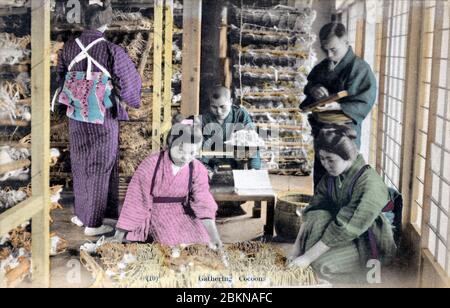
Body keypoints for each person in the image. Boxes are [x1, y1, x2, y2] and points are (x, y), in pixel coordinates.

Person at [56, 0, 142, 236]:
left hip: (76, 116)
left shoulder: (68, 49)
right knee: (100, 166)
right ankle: (93, 224)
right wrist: (130, 99)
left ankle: (84, 215)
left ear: (84, 21)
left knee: (81, 165)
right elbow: (129, 84)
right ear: (107, 22)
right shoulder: (111, 50)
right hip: (101, 116)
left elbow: (60, 79)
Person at [287, 125, 397, 283]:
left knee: (320, 264)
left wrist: (307, 258)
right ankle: (311, 258)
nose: (325, 164)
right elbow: (312, 210)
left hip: (367, 238)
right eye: (322, 159)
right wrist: (296, 250)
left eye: (330, 159)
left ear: (347, 156)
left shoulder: (369, 183)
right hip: (340, 231)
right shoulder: (332, 176)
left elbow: (345, 226)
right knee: (316, 215)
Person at [112, 115, 222, 248]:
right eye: (181, 150)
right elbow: (136, 199)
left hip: (183, 212)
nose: (186, 157)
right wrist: (119, 235)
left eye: (192, 153)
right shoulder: (151, 164)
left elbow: (203, 202)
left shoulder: (197, 168)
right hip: (155, 211)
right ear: (170, 143)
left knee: (201, 241)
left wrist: (214, 236)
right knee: (170, 244)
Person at [300, 23, 377, 188]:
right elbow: (309, 85)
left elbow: (363, 101)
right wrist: (314, 90)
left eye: (333, 49)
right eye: (325, 50)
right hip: (322, 130)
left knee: (342, 178)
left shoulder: (360, 68)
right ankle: (319, 211)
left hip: (344, 134)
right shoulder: (322, 67)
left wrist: (338, 106)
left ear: (346, 42)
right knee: (321, 176)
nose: (328, 55)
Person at [201, 86, 261, 172]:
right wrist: (205, 169)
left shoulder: (240, 115)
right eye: (214, 107)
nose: (218, 111)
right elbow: (201, 149)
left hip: (238, 163)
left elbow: (253, 143)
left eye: (222, 107)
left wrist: (254, 168)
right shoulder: (204, 119)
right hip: (213, 165)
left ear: (231, 102)